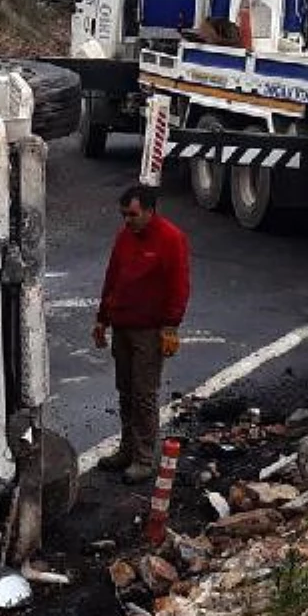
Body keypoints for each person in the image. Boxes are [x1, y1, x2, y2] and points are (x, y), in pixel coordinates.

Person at [92, 184, 191, 484]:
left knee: (144, 395)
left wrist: (171, 326)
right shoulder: (125, 237)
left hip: (149, 331)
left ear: (149, 211)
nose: (128, 221)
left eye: (133, 215)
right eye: (124, 215)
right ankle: (128, 449)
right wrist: (102, 319)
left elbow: (179, 285)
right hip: (122, 325)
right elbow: (113, 277)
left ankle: (144, 459)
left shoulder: (171, 239)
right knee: (126, 392)